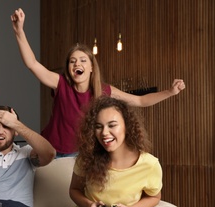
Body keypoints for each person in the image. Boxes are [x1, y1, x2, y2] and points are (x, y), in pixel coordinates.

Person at [11, 8, 186, 157]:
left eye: (82, 60)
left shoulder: (103, 90)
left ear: (91, 67)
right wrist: (19, 31)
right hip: (51, 151)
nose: (77, 64)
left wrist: (170, 92)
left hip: (80, 155)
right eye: (72, 61)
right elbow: (32, 64)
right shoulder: (61, 83)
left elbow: (140, 101)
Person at [60, 96, 162, 207]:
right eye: (98, 127)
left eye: (112, 125)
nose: (104, 133)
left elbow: (155, 196)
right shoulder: (86, 158)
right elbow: (74, 190)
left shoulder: (149, 164)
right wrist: (88, 205)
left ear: (127, 126)